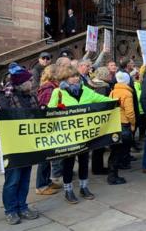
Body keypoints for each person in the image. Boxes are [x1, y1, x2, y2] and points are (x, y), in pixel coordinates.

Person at [48, 66, 114, 204]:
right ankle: (68, 190)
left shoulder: (86, 91)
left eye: (77, 76)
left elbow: (102, 99)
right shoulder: (58, 92)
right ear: (65, 78)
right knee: (69, 163)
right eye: (72, 76)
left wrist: (117, 100)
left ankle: (84, 187)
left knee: (84, 161)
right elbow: (50, 112)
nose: (76, 78)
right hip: (68, 136)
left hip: (85, 135)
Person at [0, 66, 40, 224]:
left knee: (25, 179)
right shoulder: (5, 98)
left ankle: (22, 206)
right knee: (13, 180)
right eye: (29, 80)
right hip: (11, 147)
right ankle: (11, 210)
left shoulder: (32, 97)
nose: (32, 82)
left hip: (28, 145)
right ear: (21, 83)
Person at [35, 65, 61, 196]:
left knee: (49, 155)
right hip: (47, 126)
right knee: (44, 157)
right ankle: (41, 186)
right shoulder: (48, 88)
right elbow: (45, 108)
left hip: (52, 125)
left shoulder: (52, 86)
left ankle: (47, 181)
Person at [109, 72, 136, 184]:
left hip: (115, 123)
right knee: (119, 150)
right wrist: (133, 123)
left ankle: (112, 173)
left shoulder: (113, 92)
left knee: (114, 150)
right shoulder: (127, 93)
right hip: (124, 124)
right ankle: (113, 177)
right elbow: (129, 112)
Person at [90, 67, 112, 175]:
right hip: (102, 117)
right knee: (100, 145)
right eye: (108, 74)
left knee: (96, 145)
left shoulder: (92, 84)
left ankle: (96, 167)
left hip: (93, 117)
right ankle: (98, 168)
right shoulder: (104, 86)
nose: (110, 76)